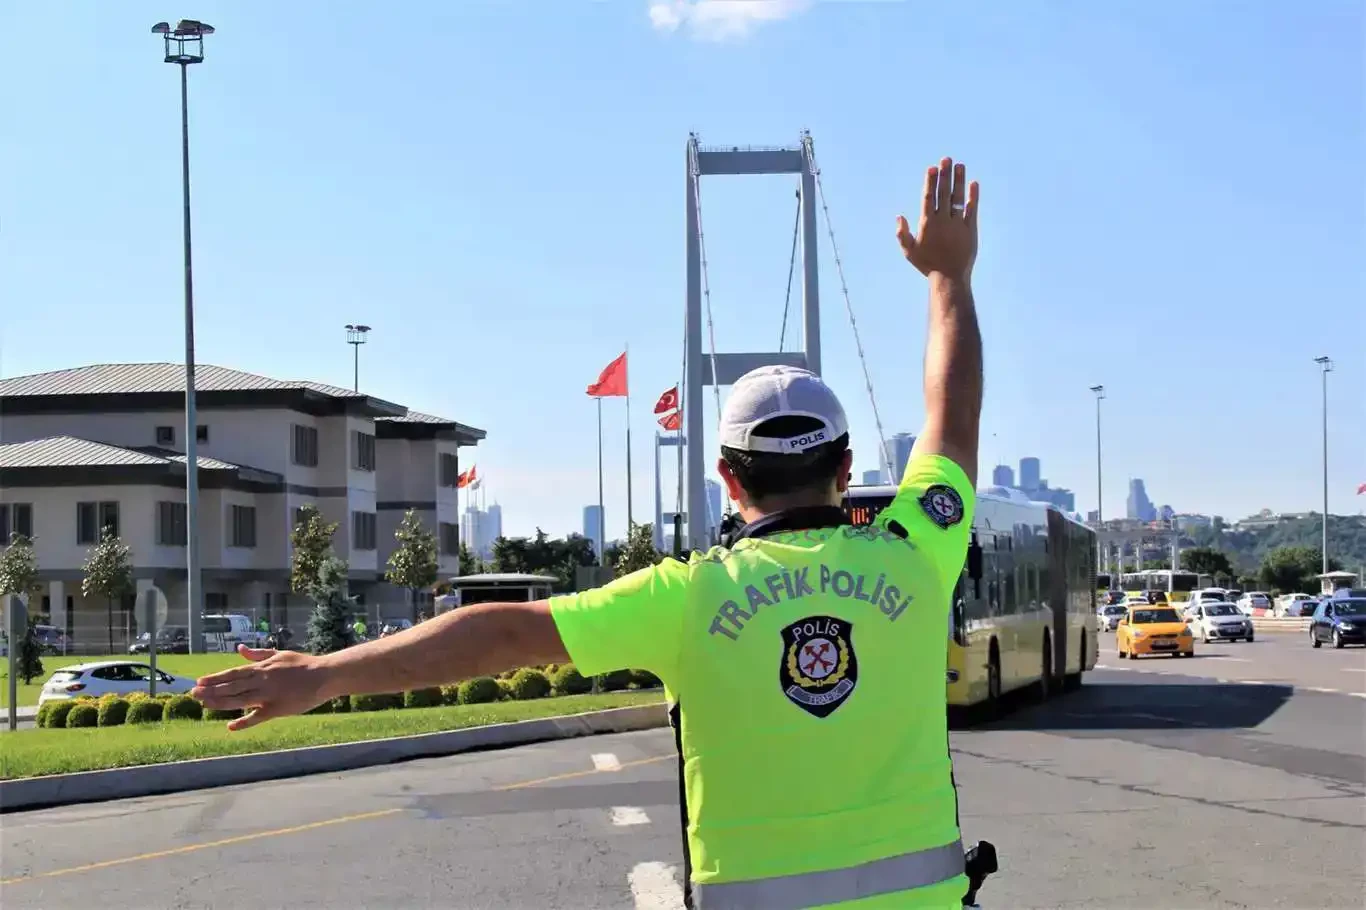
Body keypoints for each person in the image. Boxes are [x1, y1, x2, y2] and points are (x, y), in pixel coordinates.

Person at [193, 156, 983, 909]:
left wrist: (324, 673)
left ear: (727, 477)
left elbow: (496, 635)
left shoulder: (690, 597)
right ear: (846, 470)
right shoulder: (918, 554)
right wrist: (948, 279)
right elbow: (951, 419)